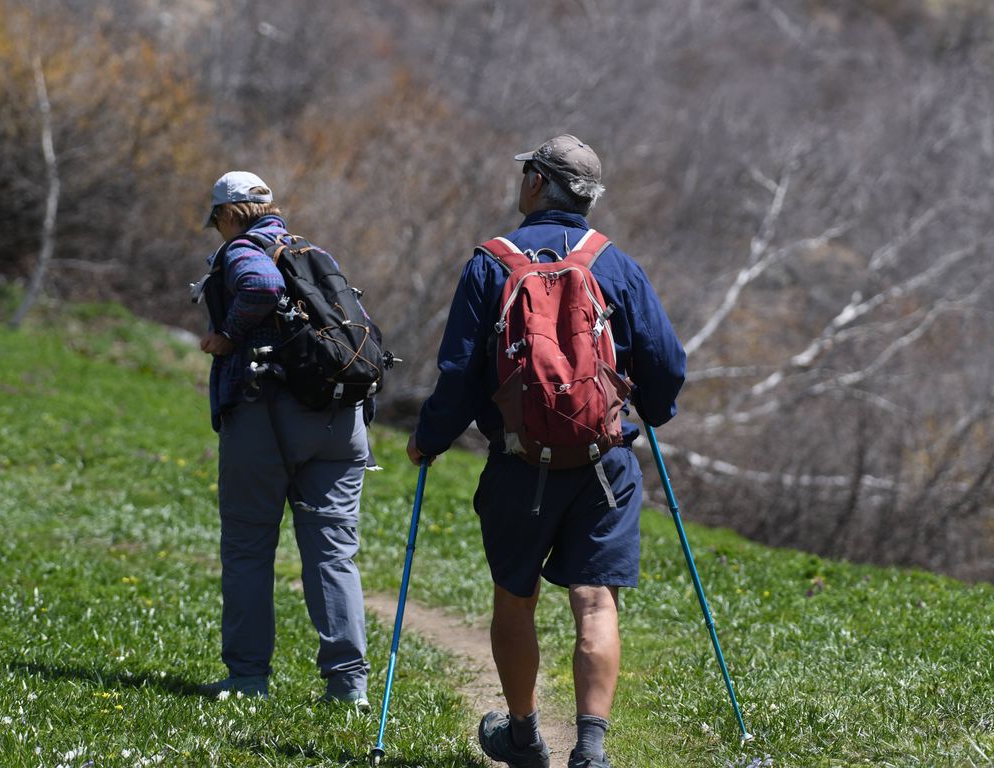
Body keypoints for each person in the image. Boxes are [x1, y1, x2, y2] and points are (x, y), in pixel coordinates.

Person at [406, 136, 686, 768]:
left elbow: (458, 372)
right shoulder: (612, 263)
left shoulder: (491, 262)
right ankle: (590, 748)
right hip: (603, 466)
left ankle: (525, 736)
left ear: (536, 183)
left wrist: (429, 440)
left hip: (518, 463)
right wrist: (655, 409)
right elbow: (666, 361)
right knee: (595, 598)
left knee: (516, 595)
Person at [194, 170, 371, 709]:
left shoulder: (243, 252)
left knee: (248, 546)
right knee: (333, 553)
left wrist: (228, 336)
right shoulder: (314, 252)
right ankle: (348, 687)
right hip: (341, 420)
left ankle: (247, 679)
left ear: (226, 215)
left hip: (266, 417)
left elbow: (261, 287)